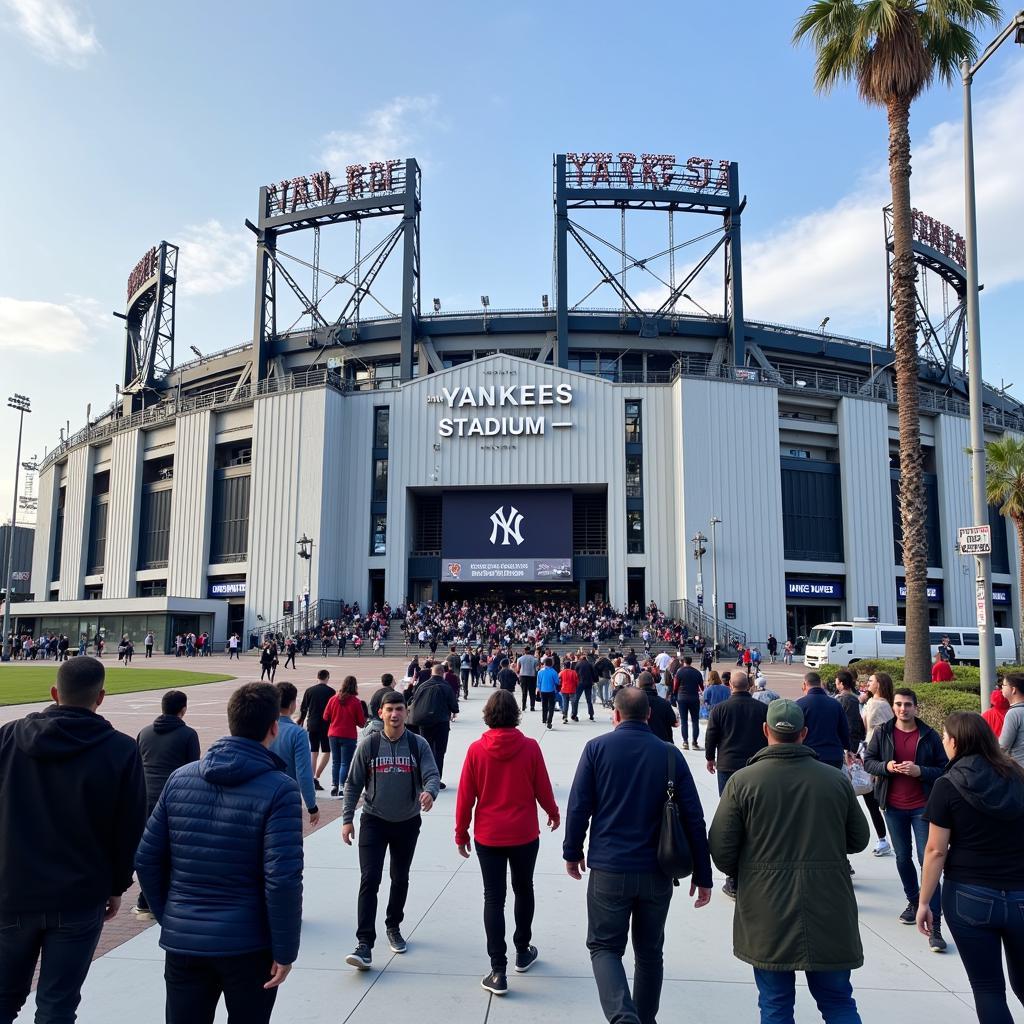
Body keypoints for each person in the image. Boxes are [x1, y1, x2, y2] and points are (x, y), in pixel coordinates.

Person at [135, 682, 303, 1024]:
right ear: (274, 727)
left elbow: (147, 857)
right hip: (248, 944)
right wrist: (285, 949)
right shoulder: (280, 788)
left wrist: (172, 916)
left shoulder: (181, 778)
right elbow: (282, 879)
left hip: (186, 941)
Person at [0, 657, 147, 1024]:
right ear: (100, 697)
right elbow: (129, 827)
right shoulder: (120, 749)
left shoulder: (7, 737)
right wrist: (117, 886)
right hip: (79, 895)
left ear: (54, 693)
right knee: (58, 1005)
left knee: (3, 997)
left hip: (13, 890)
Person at [709, 699, 870, 1024]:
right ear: (804, 733)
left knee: (775, 1004)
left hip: (767, 906)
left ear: (765, 731)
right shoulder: (835, 780)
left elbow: (721, 849)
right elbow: (859, 839)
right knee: (838, 1001)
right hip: (828, 903)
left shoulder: (743, 781)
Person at [564, 687, 712, 1024]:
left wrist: (572, 851)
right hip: (656, 871)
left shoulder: (596, 749)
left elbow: (579, 807)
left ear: (615, 715)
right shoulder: (670, 755)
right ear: (648, 715)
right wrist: (703, 875)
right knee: (649, 954)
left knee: (604, 948)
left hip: (609, 867)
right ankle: (644, 1019)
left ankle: (622, 1017)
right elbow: (694, 818)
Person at [917, 712, 1024, 1023]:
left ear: (955, 742)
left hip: (969, 895)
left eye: (945, 738)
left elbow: (936, 850)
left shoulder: (947, 785)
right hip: (1020, 893)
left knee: (988, 988)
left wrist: (925, 902)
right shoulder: (1018, 778)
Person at [456, 691, 560, 996]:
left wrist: (461, 832)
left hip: (489, 834)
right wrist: (552, 812)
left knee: (493, 897)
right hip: (524, 833)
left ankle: (497, 968)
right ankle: (522, 949)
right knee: (524, 888)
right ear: (515, 713)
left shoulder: (476, 750)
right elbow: (542, 785)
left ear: (488, 715)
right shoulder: (529, 748)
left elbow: (466, 796)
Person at [342, 691, 440, 970]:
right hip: (374, 820)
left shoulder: (417, 744)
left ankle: (393, 925)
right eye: (389, 709)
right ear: (381, 713)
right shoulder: (369, 745)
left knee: (400, 878)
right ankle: (364, 944)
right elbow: (353, 783)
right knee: (370, 879)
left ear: (406, 713)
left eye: (399, 709)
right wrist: (347, 819)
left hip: (407, 822)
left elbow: (431, 774)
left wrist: (430, 792)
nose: (395, 714)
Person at [863, 687, 948, 952]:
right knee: (902, 858)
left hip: (922, 807)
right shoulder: (883, 732)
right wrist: (887, 767)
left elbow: (944, 769)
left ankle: (936, 927)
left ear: (916, 707)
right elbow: (868, 762)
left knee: (928, 862)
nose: (903, 709)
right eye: (898, 704)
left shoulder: (929, 735)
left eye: (908, 704)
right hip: (893, 806)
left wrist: (919, 770)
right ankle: (913, 901)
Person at [133, 690, 201, 918]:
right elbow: (193, 771)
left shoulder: (144, 732)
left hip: (144, 797)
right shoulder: (188, 734)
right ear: (183, 709)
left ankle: (146, 898)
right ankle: (158, 897)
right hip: (173, 798)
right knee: (171, 850)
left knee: (148, 850)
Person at [703, 671, 768, 899]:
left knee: (731, 817)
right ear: (750, 685)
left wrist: (710, 757)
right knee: (755, 816)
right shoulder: (762, 709)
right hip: (756, 766)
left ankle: (733, 876)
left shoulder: (720, 709)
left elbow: (712, 734)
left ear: (730, 685)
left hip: (728, 766)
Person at [269, 683, 320, 827]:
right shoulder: (297, 733)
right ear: (292, 704)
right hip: (287, 798)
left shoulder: (262, 728)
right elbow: (303, 773)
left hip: (262, 795)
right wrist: (312, 806)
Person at [859, 671, 895, 858]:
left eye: (871, 681)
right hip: (874, 757)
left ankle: (884, 839)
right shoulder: (878, 704)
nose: (868, 683)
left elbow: (876, 733)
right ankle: (884, 838)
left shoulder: (878, 706)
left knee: (875, 800)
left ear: (879, 685)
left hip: (874, 759)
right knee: (874, 800)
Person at [408, 663, 460, 788]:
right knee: (439, 752)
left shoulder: (423, 685)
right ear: (443, 673)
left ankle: (424, 778)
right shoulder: (446, 686)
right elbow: (455, 707)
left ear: (432, 673)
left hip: (424, 722)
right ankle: (435, 779)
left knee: (426, 750)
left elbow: (414, 700)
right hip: (441, 722)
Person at [796, 671, 850, 770]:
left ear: (804, 684)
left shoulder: (799, 704)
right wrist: (847, 748)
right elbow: (844, 731)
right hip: (834, 757)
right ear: (820, 684)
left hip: (808, 756)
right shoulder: (835, 704)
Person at [322, 676, 367, 796]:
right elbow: (361, 723)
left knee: (335, 761)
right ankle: (342, 785)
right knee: (345, 763)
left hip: (333, 733)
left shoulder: (333, 699)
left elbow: (325, 717)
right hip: (348, 735)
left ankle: (334, 784)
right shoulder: (356, 702)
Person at [298, 669, 335, 791]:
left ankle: (311, 777)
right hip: (326, 724)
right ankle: (316, 776)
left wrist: (301, 720)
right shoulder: (331, 692)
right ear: (327, 677)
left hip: (312, 723)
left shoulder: (309, 691)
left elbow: (304, 708)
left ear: (317, 677)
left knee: (313, 751)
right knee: (326, 751)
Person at [636, 671, 677, 744]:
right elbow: (674, 723)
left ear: (638, 685)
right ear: (653, 684)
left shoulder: (634, 703)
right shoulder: (664, 703)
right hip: (663, 743)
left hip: (641, 744)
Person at [673, 655, 704, 750]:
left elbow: (675, 686)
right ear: (691, 662)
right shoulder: (697, 672)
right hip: (694, 698)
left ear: (683, 662)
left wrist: (675, 695)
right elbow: (702, 687)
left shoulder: (679, 672)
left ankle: (685, 742)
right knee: (695, 721)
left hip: (682, 698)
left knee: (684, 721)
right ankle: (694, 742)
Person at [999, 673, 1024, 767]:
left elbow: (1003, 745)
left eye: (1004, 685)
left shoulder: (1014, 713)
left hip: (1019, 768)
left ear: (1013, 690)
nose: (1001, 688)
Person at [537, 656, 561, 730]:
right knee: (551, 707)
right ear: (552, 664)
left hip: (543, 691)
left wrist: (539, 690)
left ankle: (544, 719)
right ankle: (549, 721)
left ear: (544, 663)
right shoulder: (554, 672)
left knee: (544, 706)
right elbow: (557, 682)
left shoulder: (540, 671)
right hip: (551, 691)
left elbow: (538, 683)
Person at [516, 647, 538, 712]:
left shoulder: (520, 659)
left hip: (523, 676)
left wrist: (518, 674)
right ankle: (532, 706)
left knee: (524, 692)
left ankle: (523, 706)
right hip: (532, 676)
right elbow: (536, 669)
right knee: (532, 693)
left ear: (524, 651)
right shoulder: (535, 659)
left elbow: (518, 669)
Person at [559, 657, 579, 724]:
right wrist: (576, 687)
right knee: (573, 703)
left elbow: (559, 681)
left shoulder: (562, 672)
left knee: (565, 703)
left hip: (564, 689)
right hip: (572, 689)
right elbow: (577, 681)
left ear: (564, 666)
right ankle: (573, 715)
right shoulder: (574, 672)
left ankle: (565, 716)